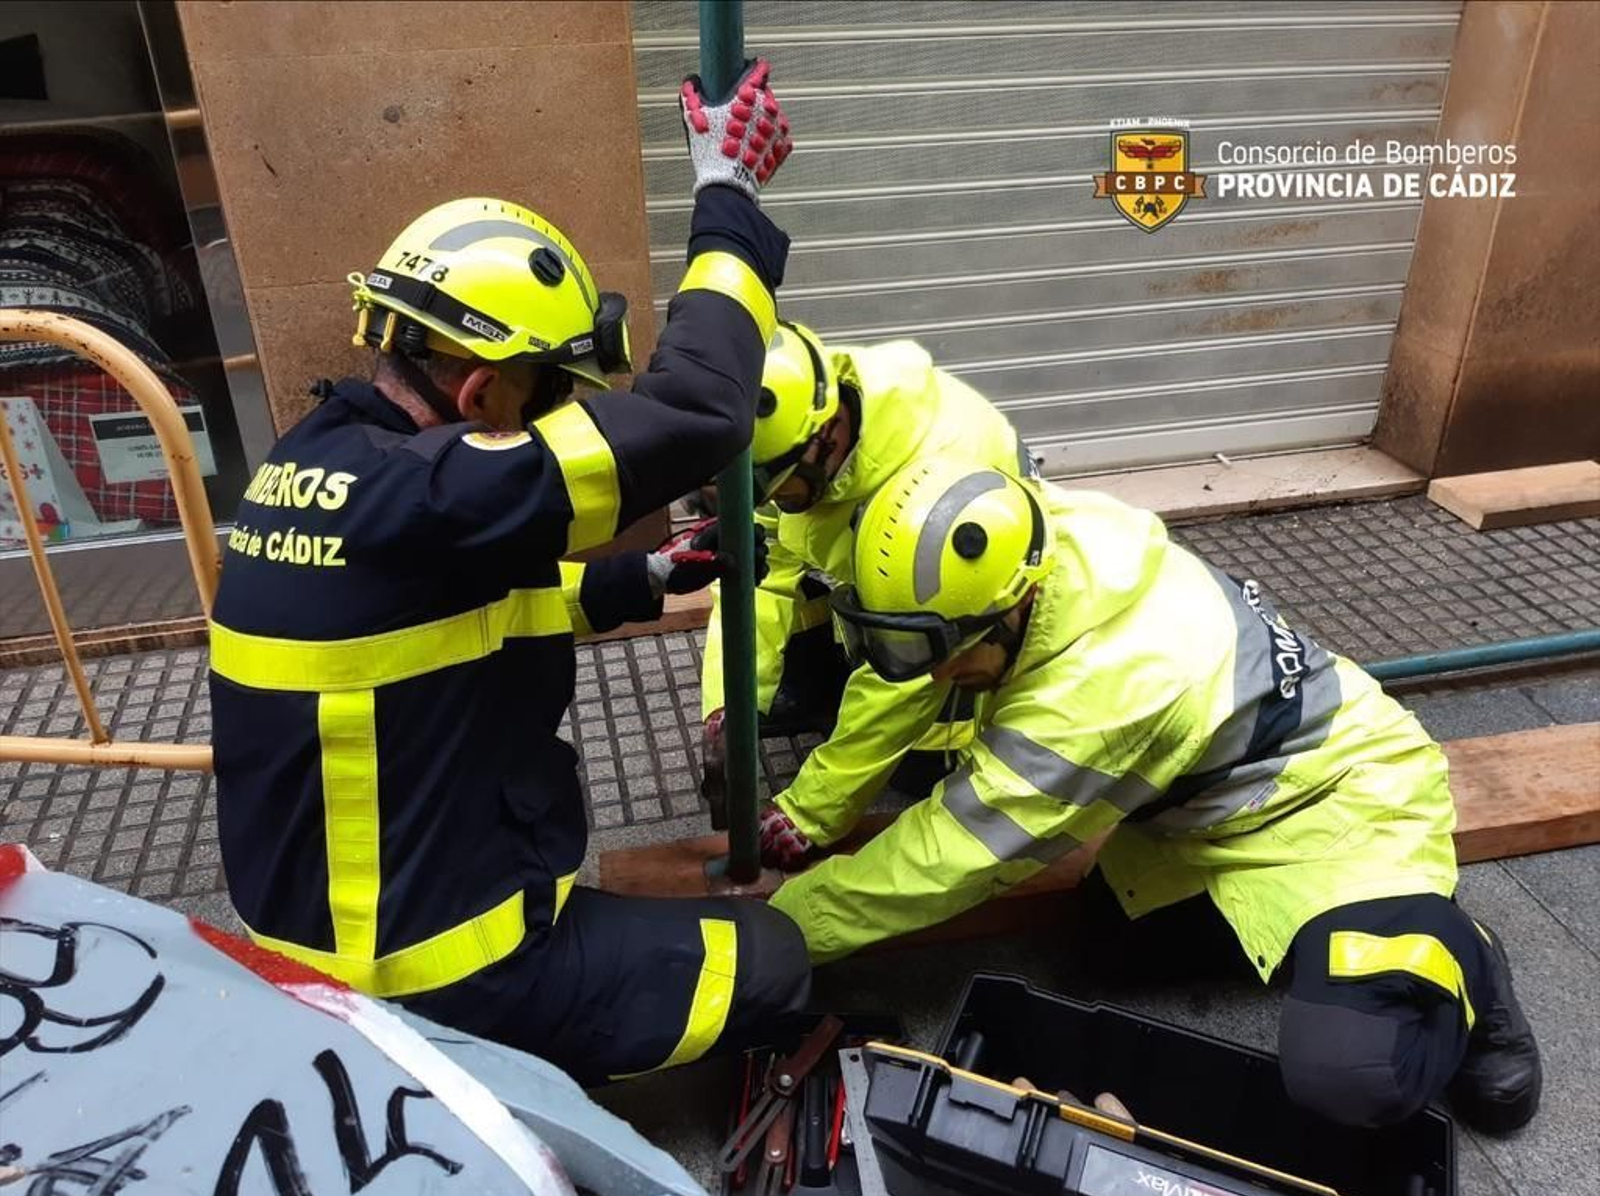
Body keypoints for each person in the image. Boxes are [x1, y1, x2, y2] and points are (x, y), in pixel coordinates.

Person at [208, 61, 810, 1084]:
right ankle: (510, 1079)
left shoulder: (316, 463)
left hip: (308, 946)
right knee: (775, 961)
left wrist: (647, 576)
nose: (553, 420)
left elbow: (460, 617)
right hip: (436, 979)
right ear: (484, 391)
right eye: (548, 398)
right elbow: (699, 415)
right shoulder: (439, 492)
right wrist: (729, 198)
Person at [770, 458, 1542, 1133]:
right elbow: (917, 677)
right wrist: (815, 808)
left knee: (1349, 1077)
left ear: (1010, 609)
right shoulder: (1040, 533)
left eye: (943, 654)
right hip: (1211, 813)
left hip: (1343, 809)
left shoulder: (1102, 695)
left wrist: (777, 933)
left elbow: (947, 858)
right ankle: (1327, 958)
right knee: (1106, 950)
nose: (934, 676)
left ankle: (1462, 955)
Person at [693, 320, 1037, 869]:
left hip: (968, 624)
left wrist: (812, 813)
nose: (772, 502)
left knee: (917, 757)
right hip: (878, 575)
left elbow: (912, 660)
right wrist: (727, 703)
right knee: (795, 566)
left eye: (778, 490)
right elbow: (756, 575)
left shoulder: (935, 473)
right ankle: (813, 691)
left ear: (825, 441)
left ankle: (944, 744)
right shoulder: (791, 419)